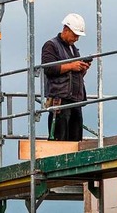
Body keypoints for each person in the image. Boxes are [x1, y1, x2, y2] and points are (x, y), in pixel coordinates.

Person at [42, 13, 91, 141]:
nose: (76, 39)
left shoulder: (73, 49)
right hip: (60, 100)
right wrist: (71, 66)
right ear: (66, 30)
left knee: (76, 141)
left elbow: (73, 74)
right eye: (75, 35)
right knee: (60, 140)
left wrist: (81, 69)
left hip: (74, 100)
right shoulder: (51, 45)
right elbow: (48, 68)